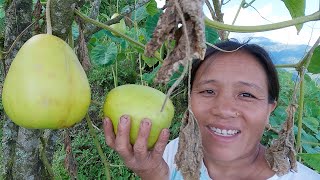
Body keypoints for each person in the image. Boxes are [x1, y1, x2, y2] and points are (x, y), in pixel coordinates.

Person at [102, 40, 320, 180]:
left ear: (269, 109)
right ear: (189, 99)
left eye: (246, 94)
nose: (224, 110)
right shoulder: (175, 152)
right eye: (208, 91)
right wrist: (151, 173)